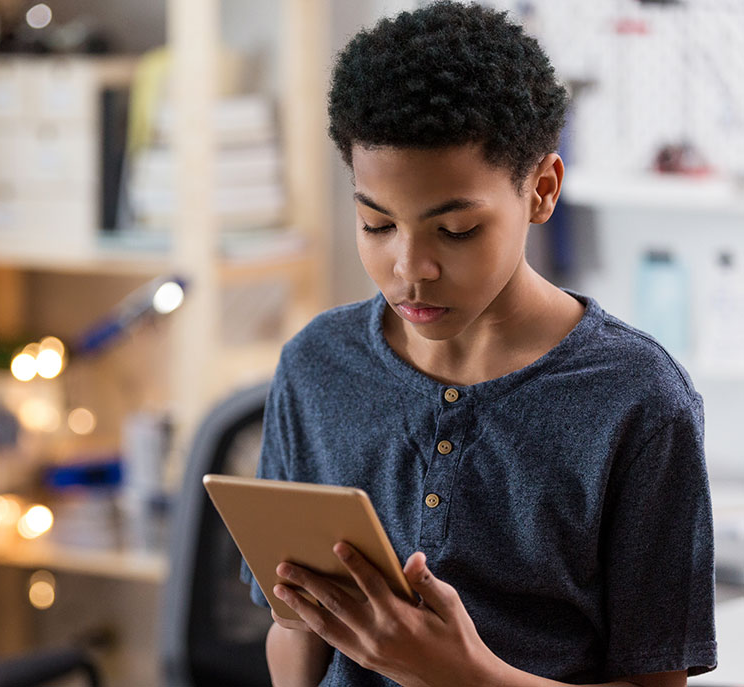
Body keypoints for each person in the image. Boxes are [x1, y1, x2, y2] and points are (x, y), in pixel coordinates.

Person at [240, 2, 717, 686]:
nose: (410, 268)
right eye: (376, 224)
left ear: (542, 189)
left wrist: (460, 672)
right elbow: (294, 641)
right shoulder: (316, 365)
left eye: (456, 229)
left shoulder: (638, 399)